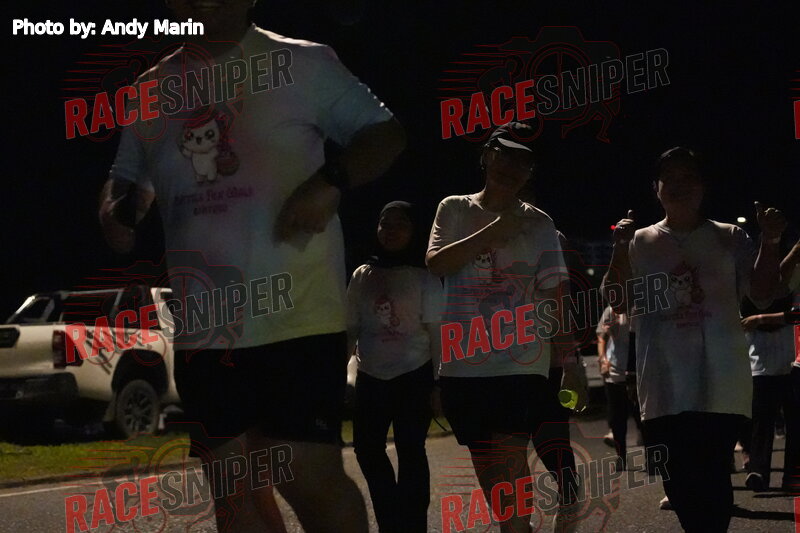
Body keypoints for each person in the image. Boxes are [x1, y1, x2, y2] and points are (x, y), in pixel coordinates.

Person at [98, 1, 406, 531]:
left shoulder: (302, 62)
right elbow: (127, 181)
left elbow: (385, 134)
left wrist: (329, 182)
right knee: (233, 490)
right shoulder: (150, 90)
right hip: (203, 329)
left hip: (295, 318)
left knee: (306, 477)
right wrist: (116, 212)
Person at [602, 147, 786, 532]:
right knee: (677, 480)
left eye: (688, 177)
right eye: (670, 178)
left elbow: (763, 294)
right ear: (656, 188)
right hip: (662, 383)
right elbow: (617, 300)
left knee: (713, 472)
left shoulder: (729, 236)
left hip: (721, 381)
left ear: (703, 186)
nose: (679, 185)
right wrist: (618, 249)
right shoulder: (639, 242)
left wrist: (770, 242)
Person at [427, 121, 588, 533]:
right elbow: (437, 263)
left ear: (531, 171)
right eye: (505, 154)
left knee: (511, 452)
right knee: (486, 462)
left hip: (521, 362)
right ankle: (515, 525)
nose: (512, 167)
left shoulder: (540, 223)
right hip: (463, 361)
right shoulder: (454, 208)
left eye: (523, 160)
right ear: (486, 155)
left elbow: (555, 294)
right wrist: (494, 231)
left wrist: (570, 361)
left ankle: (515, 529)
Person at [346, 201, 443, 532]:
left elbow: (437, 334)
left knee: (411, 449)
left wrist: (438, 384)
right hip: (371, 376)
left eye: (401, 224)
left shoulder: (426, 276)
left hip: (414, 375)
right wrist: (336, 375)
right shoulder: (363, 275)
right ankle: (392, 520)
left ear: (415, 230)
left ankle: (413, 524)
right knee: (366, 449)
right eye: (385, 223)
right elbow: (351, 329)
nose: (391, 230)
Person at [596, 305, 643, 468]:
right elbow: (601, 336)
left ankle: (652, 456)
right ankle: (621, 456)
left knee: (640, 415)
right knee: (617, 418)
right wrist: (603, 359)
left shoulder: (639, 308)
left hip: (638, 371)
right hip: (615, 370)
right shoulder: (611, 311)